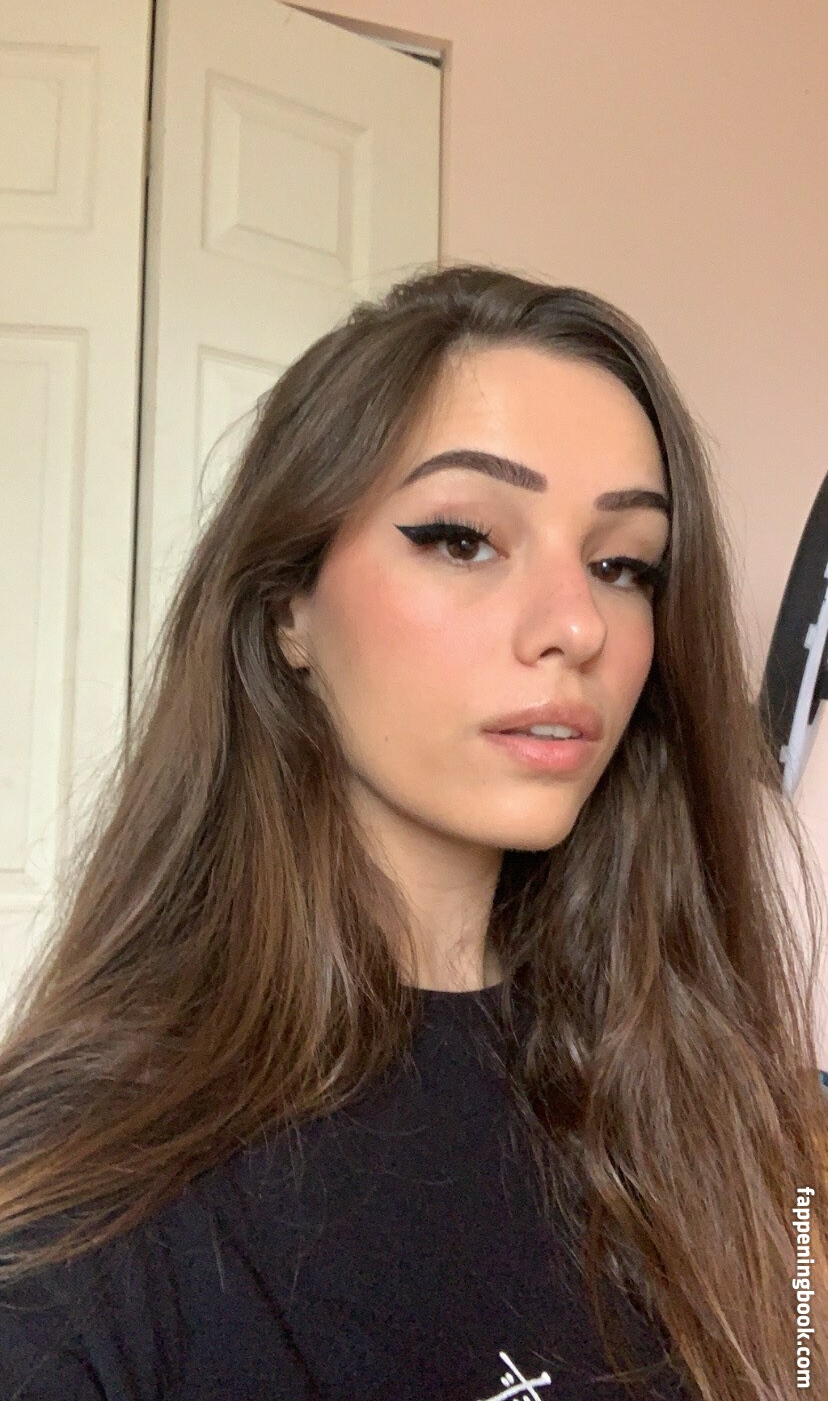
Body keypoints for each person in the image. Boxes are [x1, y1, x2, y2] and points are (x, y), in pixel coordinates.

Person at [0, 263, 825, 1400]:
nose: (578, 624)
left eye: (622, 563)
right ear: (288, 605)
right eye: (462, 538)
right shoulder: (75, 1211)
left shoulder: (708, 1092)